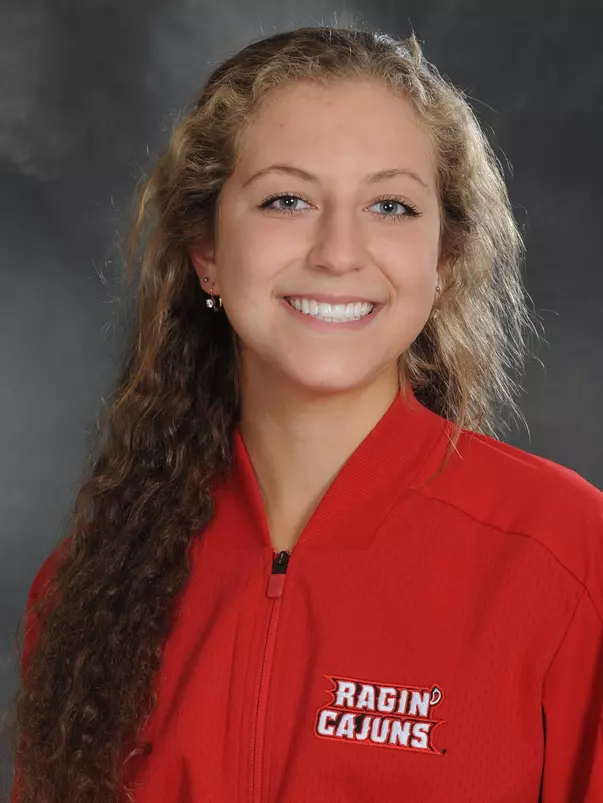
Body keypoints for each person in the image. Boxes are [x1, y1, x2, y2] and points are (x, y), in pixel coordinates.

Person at [10, 24, 603, 803]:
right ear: (208, 252)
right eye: (286, 199)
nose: (336, 251)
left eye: (389, 205)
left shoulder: (565, 555)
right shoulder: (89, 589)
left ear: (442, 262)